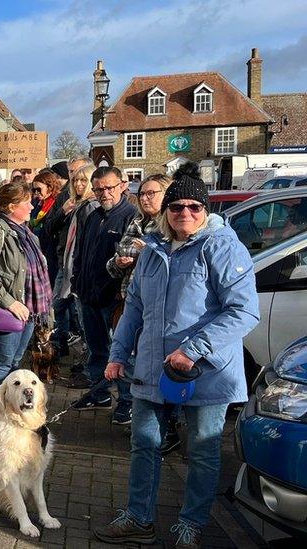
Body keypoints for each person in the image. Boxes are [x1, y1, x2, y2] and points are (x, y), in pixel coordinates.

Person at [94, 163, 259, 548]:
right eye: (176, 206)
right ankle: (139, 518)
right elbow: (134, 307)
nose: (184, 212)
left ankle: (191, 524)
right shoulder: (152, 250)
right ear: (166, 211)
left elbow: (243, 310)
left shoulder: (222, 247)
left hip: (206, 371)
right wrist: (117, 354)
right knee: (145, 444)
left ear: (205, 211)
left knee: (201, 451)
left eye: (194, 207)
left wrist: (193, 350)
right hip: (152, 367)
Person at [105, 174, 180, 453]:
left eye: (152, 193)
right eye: (142, 193)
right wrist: (120, 261)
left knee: (161, 369)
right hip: (129, 300)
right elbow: (112, 265)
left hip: (160, 310)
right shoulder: (135, 222)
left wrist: (142, 254)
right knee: (132, 363)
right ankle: (139, 418)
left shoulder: (171, 224)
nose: (145, 198)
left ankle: (168, 427)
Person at [0, 180, 51, 410]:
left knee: (15, 362)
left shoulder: (25, 231)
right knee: (1, 363)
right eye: (27, 202)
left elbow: (40, 273)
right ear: (12, 206)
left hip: (29, 310)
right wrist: (10, 302)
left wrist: (46, 313)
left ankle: (12, 410)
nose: (32, 207)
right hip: (10, 309)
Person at [70, 166, 137, 424]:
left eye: (109, 187)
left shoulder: (130, 216)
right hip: (88, 294)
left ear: (122, 185)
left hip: (114, 299)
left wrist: (120, 296)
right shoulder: (93, 214)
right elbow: (80, 252)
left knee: (119, 353)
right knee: (97, 350)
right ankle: (99, 393)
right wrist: (77, 281)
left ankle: (126, 401)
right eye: (98, 189)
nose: (103, 193)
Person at [51, 164, 97, 372]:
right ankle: (78, 357)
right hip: (67, 263)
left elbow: (88, 242)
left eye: (83, 180)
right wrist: (63, 211)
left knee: (82, 319)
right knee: (60, 309)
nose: (78, 184)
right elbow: (50, 227)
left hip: (79, 269)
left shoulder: (91, 206)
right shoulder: (74, 204)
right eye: (75, 180)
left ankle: (89, 366)